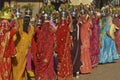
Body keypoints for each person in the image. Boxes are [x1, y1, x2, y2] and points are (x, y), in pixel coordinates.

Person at [12, 7, 34, 80]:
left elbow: (30, 38)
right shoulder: (20, 24)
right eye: (26, 14)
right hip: (17, 50)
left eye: (29, 14)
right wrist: (15, 16)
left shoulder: (31, 28)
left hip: (25, 51)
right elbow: (17, 29)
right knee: (16, 68)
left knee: (22, 68)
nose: (28, 16)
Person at [34, 12, 57, 80]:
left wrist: (38, 19)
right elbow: (54, 37)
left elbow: (35, 32)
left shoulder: (40, 28)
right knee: (48, 64)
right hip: (49, 51)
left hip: (40, 51)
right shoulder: (51, 28)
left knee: (41, 65)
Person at [0, 7, 19, 80]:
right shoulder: (9, 34)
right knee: (6, 74)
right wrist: (14, 16)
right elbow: (17, 27)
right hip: (6, 58)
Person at [56, 10, 73, 80]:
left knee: (61, 61)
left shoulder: (58, 27)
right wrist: (69, 14)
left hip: (60, 48)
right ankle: (66, 74)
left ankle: (61, 75)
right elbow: (71, 22)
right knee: (66, 60)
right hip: (65, 48)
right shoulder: (67, 26)